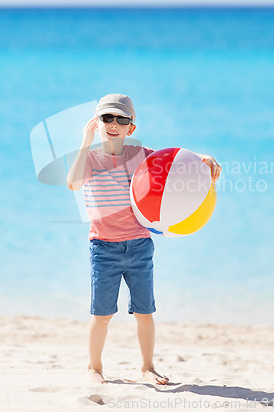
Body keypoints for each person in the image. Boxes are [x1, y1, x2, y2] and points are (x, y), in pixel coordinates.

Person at [67, 93, 221, 385]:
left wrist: (202, 158)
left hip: (139, 245)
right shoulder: (89, 159)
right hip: (104, 247)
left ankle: (147, 367)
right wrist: (85, 141)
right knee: (101, 314)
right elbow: (72, 182)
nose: (114, 124)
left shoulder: (140, 155)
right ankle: (94, 368)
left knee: (145, 311)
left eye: (121, 119)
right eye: (107, 118)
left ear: (131, 128)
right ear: (96, 123)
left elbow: (175, 163)